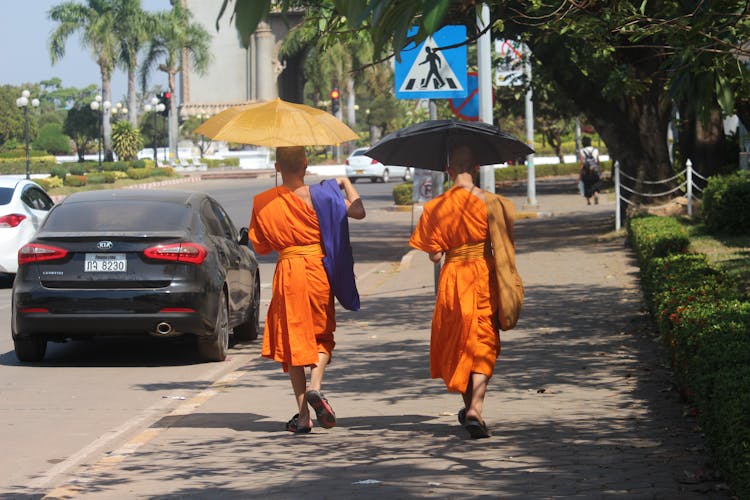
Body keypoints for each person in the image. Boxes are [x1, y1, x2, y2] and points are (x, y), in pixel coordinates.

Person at [249, 146, 365, 434]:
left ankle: (303, 417)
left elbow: (261, 246)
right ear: (306, 165)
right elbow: (359, 211)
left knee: (293, 344)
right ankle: (316, 386)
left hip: (287, 273)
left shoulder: (262, 201)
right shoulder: (323, 196)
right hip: (316, 271)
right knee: (321, 335)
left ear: (277, 167)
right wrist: (346, 182)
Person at [409, 145, 520, 440]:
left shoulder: (435, 207)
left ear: (448, 171)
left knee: (458, 342)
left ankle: (470, 406)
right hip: (483, 274)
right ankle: (476, 409)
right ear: (477, 168)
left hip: (453, 278)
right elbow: (505, 244)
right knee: (483, 340)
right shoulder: (493, 203)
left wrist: (446, 245)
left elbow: (433, 255)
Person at [579, 136, 601, 205]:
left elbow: (582, 163)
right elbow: (598, 161)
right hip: (595, 170)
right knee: (595, 183)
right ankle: (596, 194)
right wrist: (599, 169)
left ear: (583, 143)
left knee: (587, 185)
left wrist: (580, 173)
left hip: (586, 172)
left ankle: (588, 201)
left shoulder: (582, 151)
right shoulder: (595, 150)